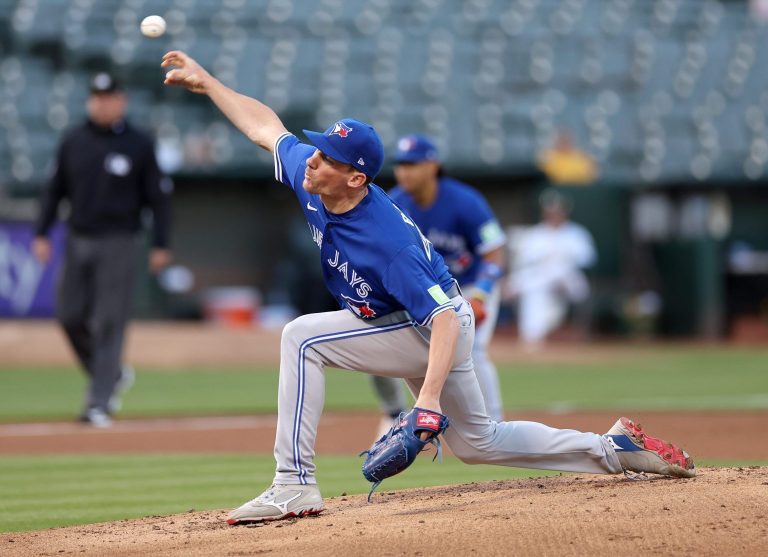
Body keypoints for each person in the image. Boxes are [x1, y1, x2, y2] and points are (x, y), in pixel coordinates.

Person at [160, 50, 695, 524]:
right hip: (418, 319)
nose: (313, 157)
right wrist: (208, 83)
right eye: (317, 150)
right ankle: (613, 449)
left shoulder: (385, 240)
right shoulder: (313, 177)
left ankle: (293, 484)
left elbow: (439, 319)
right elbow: (266, 128)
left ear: (356, 179)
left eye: (327, 156)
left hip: (432, 326)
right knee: (479, 442)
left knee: (301, 338)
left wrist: (429, 401)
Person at [33, 72, 172, 428]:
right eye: (96, 96)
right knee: (69, 315)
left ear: (121, 101)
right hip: (77, 237)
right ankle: (111, 374)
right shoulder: (74, 140)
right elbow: (54, 189)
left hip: (120, 241)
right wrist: (42, 232)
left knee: (110, 322)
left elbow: (158, 198)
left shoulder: (139, 143)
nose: (102, 102)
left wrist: (160, 243)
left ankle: (98, 402)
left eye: (109, 96)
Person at [369, 134, 506, 431]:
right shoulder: (393, 204)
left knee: (474, 349)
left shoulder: (465, 201)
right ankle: (394, 415)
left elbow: (494, 254)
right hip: (424, 292)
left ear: (432, 166)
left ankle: (495, 423)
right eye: (401, 165)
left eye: (412, 164)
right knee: (377, 346)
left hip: (469, 287)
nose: (404, 171)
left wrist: (481, 296)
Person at [508, 189, 596, 347]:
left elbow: (588, 259)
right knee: (534, 289)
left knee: (554, 277)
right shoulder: (535, 234)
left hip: (569, 279)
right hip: (542, 281)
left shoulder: (576, 233)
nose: (554, 214)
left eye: (557, 210)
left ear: (564, 212)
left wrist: (564, 257)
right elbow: (525, 263)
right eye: (550, 211)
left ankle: (536, 334)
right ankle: (532, 338)